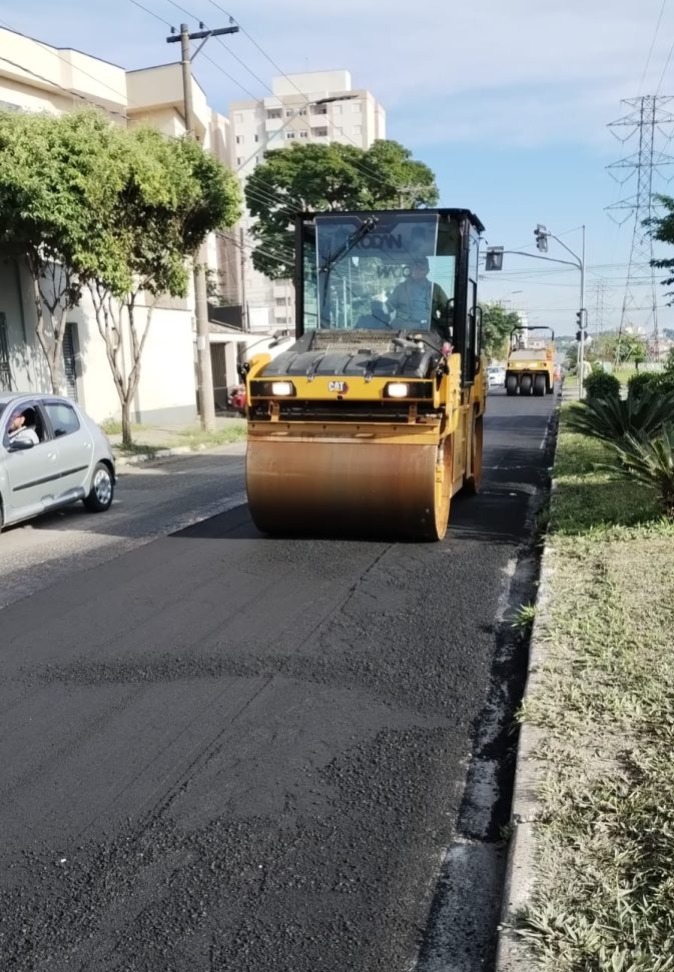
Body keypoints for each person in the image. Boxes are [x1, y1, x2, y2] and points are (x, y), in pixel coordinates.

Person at [386, 256, 452, 333]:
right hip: (403, 330)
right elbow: (387, 308)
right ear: (411, 269)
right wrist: (379, 310)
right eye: (416, 268)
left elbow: (448, 312)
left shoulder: (435, 289)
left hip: (429, 331)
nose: (418, 271)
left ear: (427, 271)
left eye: (422, 269)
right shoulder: (400, 289)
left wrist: (440, 323)